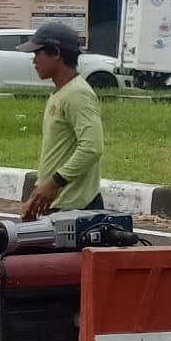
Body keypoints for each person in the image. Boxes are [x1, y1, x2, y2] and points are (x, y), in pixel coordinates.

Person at [16, 23, 105, 220]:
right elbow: (56, 152)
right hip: (57, 205)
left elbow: (91, 148)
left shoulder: (78, 93)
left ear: (56, 53)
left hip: (75, 208)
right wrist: (37, 195)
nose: (34, 60)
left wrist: (54, 183)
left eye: (38, 53)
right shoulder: (61, 93)